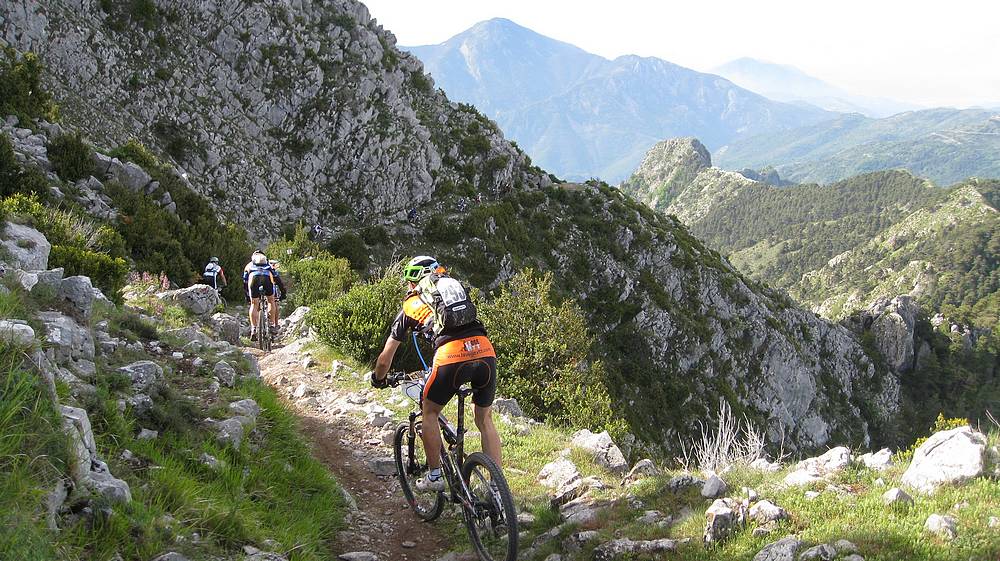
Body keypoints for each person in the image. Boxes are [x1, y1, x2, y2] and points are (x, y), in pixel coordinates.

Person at [370, 256, 501, 492]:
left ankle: (434, 476)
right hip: (484, 349)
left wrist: (378, 378)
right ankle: (498, 490)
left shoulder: (410, 305)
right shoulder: (453, 289)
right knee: (484, 419)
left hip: (451, 355)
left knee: (429, 412)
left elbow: (385, 357)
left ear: (413, 283)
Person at [242, 250, 286, 340]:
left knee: (254, 304)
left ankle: (254, 329)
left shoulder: (249, 265)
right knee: (271, 301)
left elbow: (245, 281)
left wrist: (247, 296)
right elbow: (277, 279)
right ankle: (271, 324)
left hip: (254, 280)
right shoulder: (268, 265)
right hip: (266, 279)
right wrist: (283, 292)